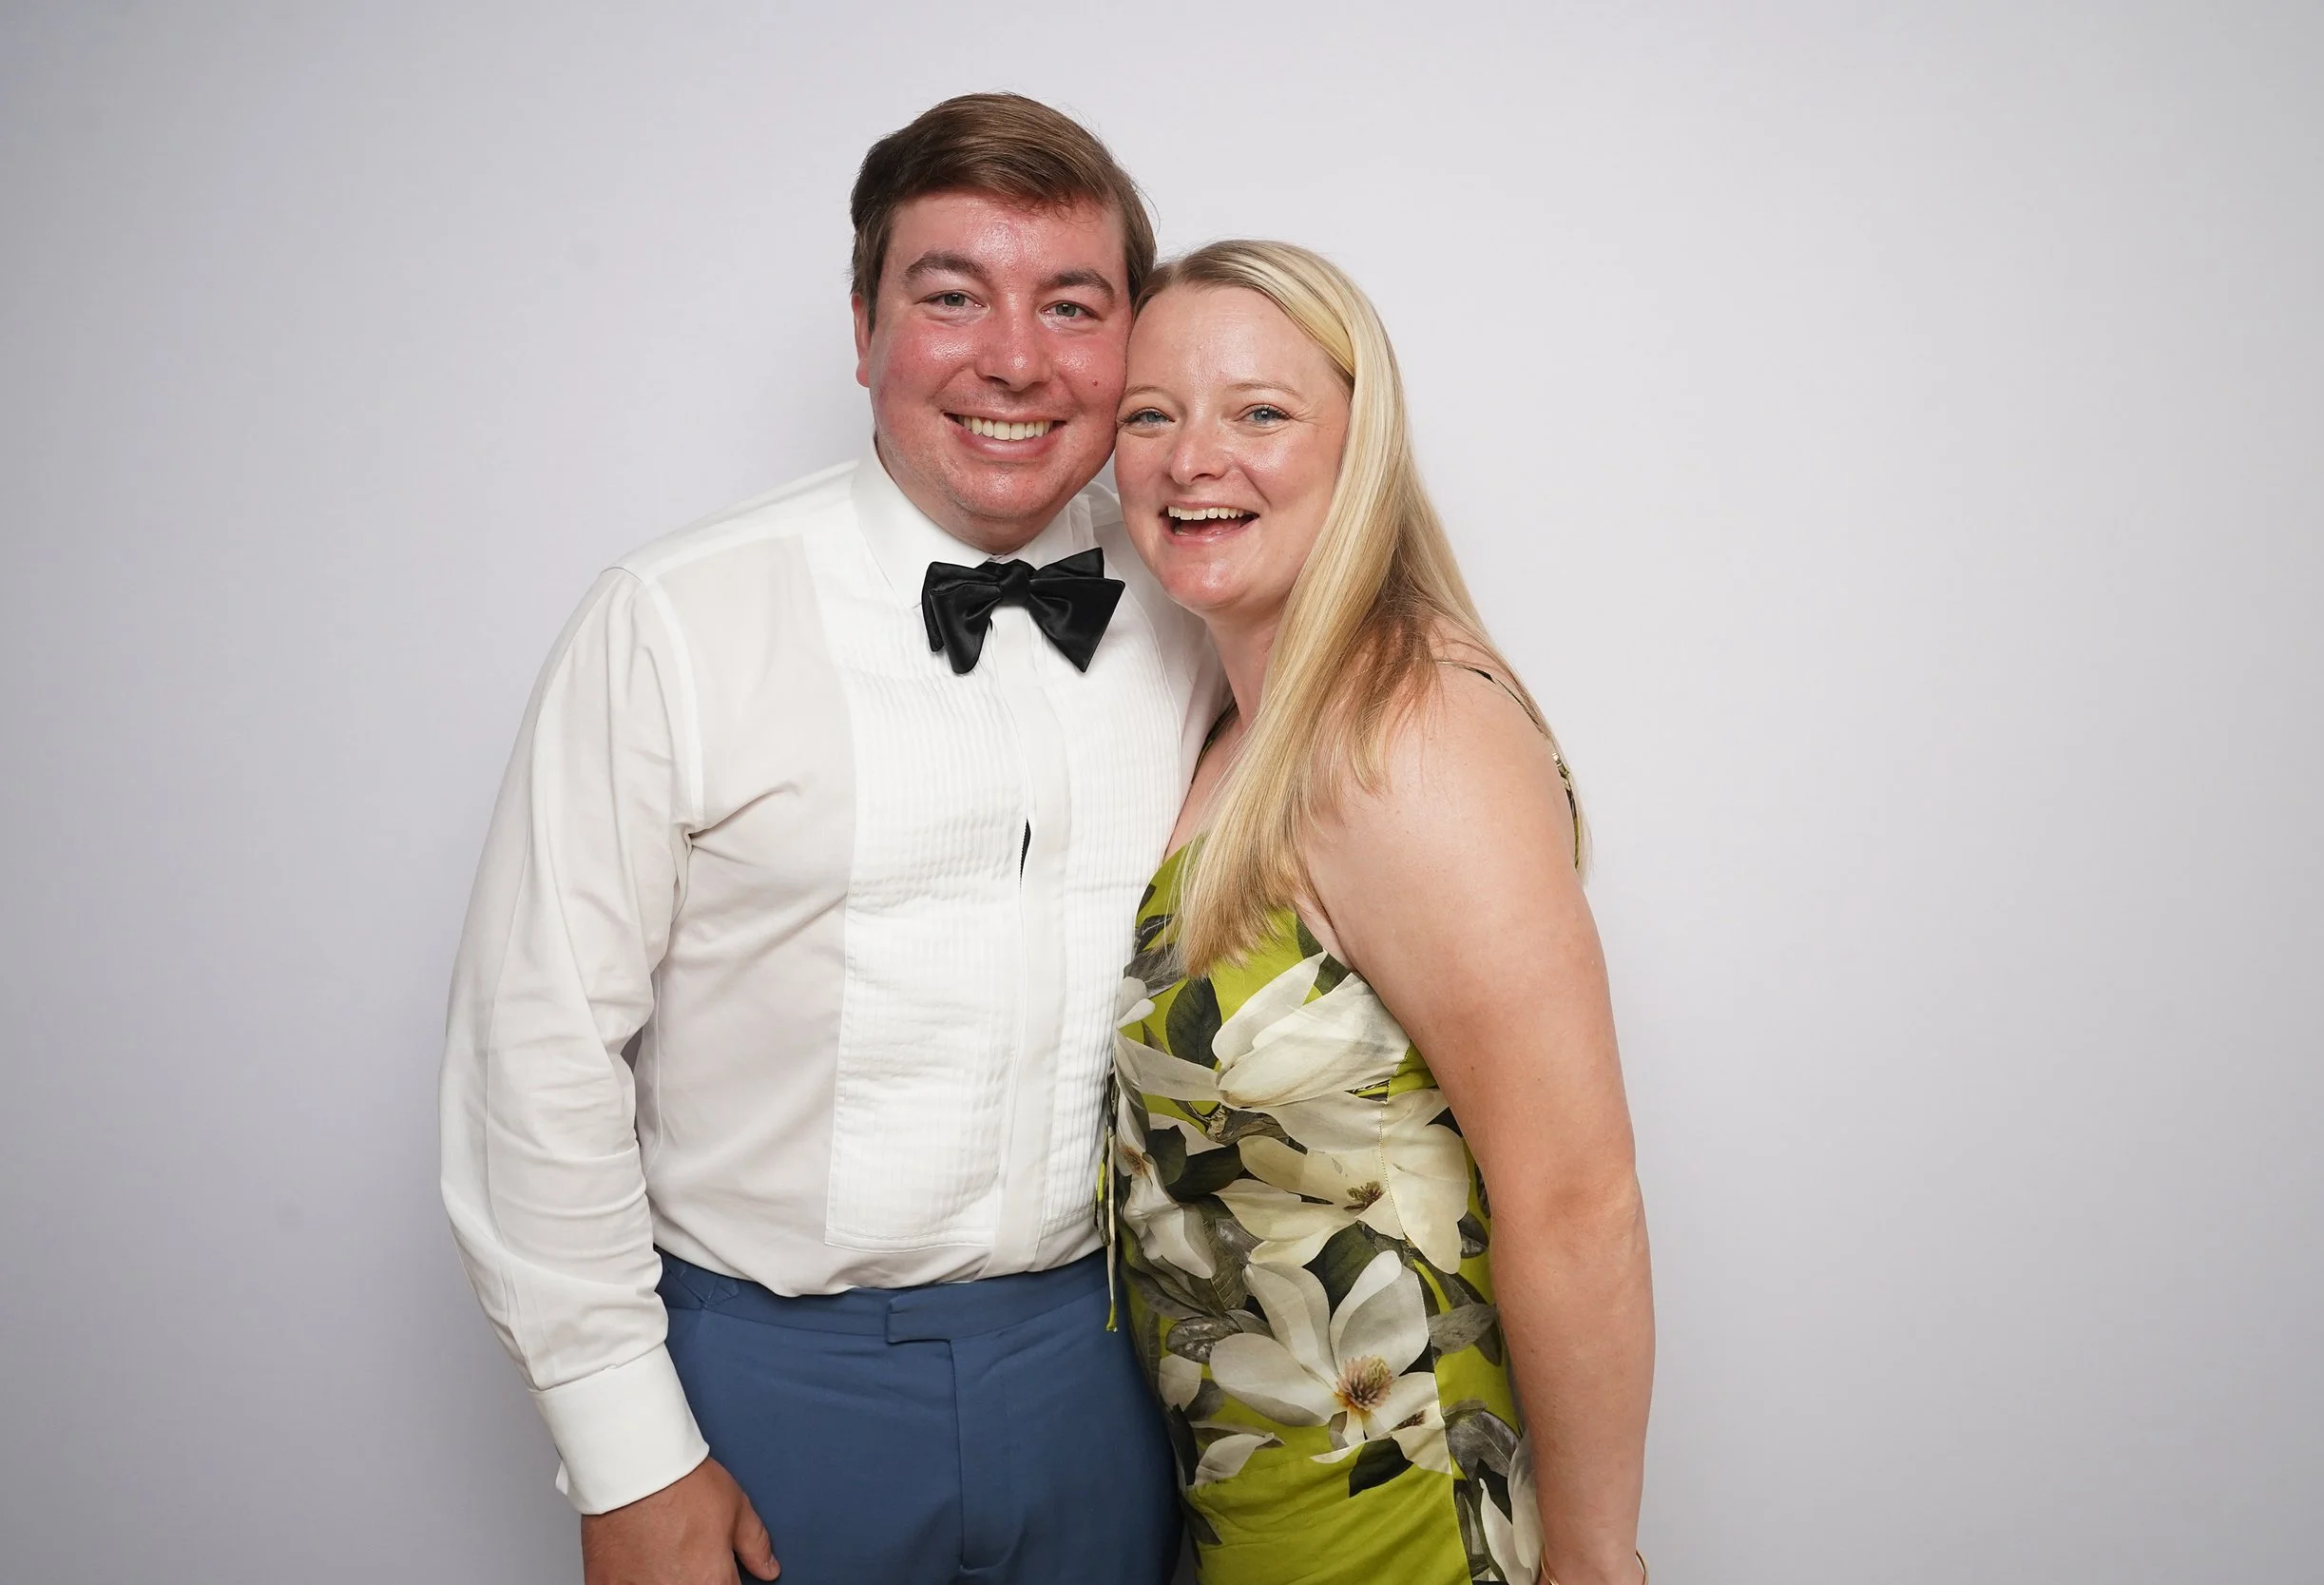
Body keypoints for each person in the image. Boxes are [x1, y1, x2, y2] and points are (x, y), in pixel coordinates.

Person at [439, 93, 1224, 1585]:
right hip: (760, 1386)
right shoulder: (674, 619)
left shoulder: (1202, 609)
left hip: (1110, 1375)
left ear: (1134, 342)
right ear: (862, 328)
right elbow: (532, 1049)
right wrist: (629, 1456)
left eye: (1073, 305)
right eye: (950, 296)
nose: (1013, 357)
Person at [1104, 241, 1654, 1585]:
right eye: (1150, 413)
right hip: (1261, 1508)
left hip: (1404, 1508)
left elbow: (1575, 1197)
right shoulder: (1243, 722)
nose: (1193, 458)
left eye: (1260, 412)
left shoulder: (1407, 735)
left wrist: (1594, 1561)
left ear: (1363, 446)